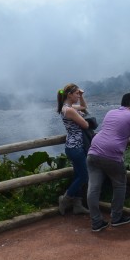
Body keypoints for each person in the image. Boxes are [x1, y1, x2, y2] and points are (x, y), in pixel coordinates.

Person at [86, 92, 130, 232]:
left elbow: (112, 130)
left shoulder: (110, 112)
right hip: (112, 156)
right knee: (120, 185)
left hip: (93, 151)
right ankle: (116, 217)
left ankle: (96, 221)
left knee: (93, 188)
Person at [56, 84, 90, 216]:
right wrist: (82, 118)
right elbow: (85, 124)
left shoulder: (67, 108)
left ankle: (77, 205)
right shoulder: (69, 110)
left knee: (77, 175)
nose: (78, 95)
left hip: (72, 146)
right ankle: (64, 199)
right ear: (69, 95)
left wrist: (82, 96)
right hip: (76, 147)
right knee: (84, 176)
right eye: (76, 94)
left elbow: (84, 107)